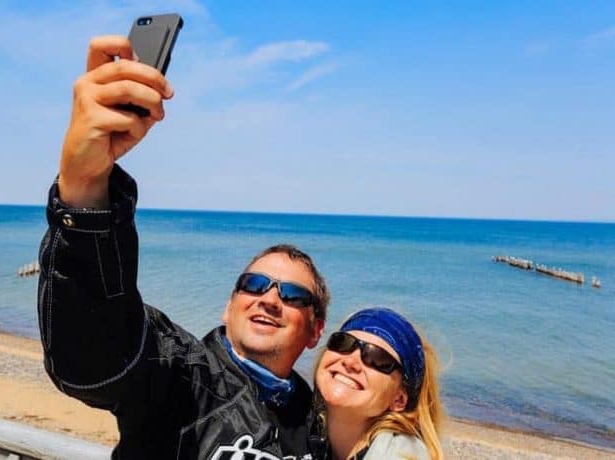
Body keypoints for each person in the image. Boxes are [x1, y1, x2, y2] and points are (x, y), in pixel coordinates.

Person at [37, 35, 329, 459]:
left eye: (292, 295)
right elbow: (94, 358)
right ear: (228, 308)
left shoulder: (315, 421)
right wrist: (84, 190)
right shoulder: (183, 376)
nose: (268, 298)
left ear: (317, 330)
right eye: (254, 284)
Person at [313, 308, 444, 460]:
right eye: (343, 342)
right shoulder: (300, 428)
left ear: (399, 399)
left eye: (377, 358)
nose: (350, 362)